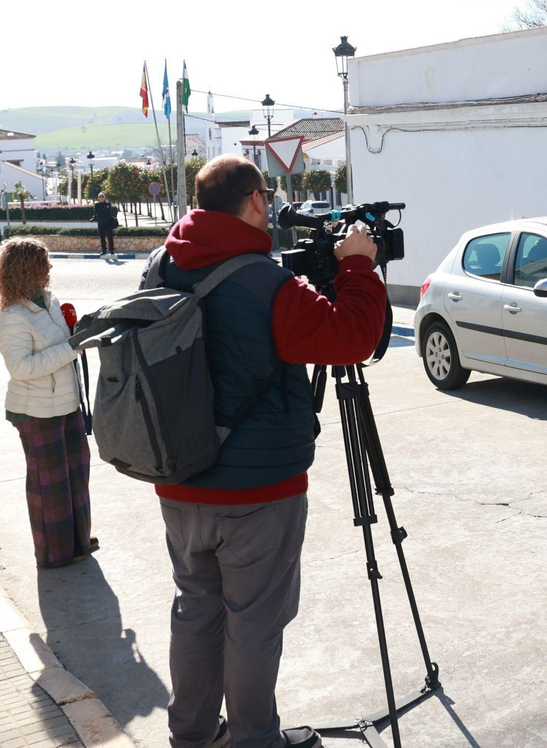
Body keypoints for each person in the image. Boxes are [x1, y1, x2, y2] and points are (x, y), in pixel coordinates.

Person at [152, 155, 384, 748]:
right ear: (255, 201)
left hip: (179, 480)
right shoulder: (264, 281)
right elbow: (350, 338)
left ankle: (194, 736)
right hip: (257, 491)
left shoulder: (161, 264)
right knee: (253, 621)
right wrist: (357, 266)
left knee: (197, 611)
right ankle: (256, 739)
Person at [0, 237, 96, 569]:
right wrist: (71, 347)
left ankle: (78, 539)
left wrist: (80, 332)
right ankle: (54, 552)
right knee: (48, 485)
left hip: (66, 403)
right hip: (36, 412)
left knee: (76, 475)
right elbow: (21, 368)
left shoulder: (50, 302)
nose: (49, 268)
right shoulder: (12, 318)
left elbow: (64, 343)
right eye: (43, 262)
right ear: (25, 269)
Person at [92, 191, 118, 256]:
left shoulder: (108, 204)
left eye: (102, 196)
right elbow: (96, 212)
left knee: (110, 237)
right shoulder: (97, 205)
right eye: (100, 197)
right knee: (102, 237)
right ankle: (104, 250)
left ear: (105, 197)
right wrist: (103, 210)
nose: (101, 198)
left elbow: (108, 211)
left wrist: (102, 210)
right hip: (101, 223)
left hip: (108, 223)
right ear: (98, 198)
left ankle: (111, 250)